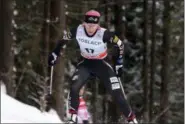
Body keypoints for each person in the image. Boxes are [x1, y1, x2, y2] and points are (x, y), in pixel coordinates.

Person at [48, 10, 138, 124]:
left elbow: (120, 44)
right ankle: (72, 118)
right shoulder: (78, 31)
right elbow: (62, 40)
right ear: (84, 23)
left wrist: (119, 62)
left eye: (94, 25)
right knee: (74, 86)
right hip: (86, 64)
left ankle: (131, 119)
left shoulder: (104, 34)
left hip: (101, 64)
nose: (91, 28)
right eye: (88, 25)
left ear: (98, 25)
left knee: (116, 93)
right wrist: (55, 53)